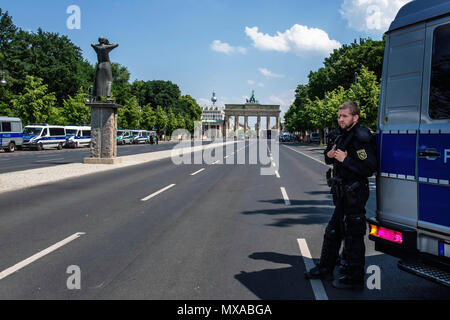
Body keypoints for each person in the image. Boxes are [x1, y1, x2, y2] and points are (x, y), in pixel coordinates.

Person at [304, 101, 377, 290]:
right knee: (334, 231)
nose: (340, 119)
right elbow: (329, 157)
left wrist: (347, 160)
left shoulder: (361, 137)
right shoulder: (342, 135)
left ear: (355, 117)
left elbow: (369, 168)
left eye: (344, 116)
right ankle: (326, 268)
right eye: (339, 116)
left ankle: (355, 278)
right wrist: (330, 154)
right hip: (342, 193)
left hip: (355, 192)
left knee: (353, 235)